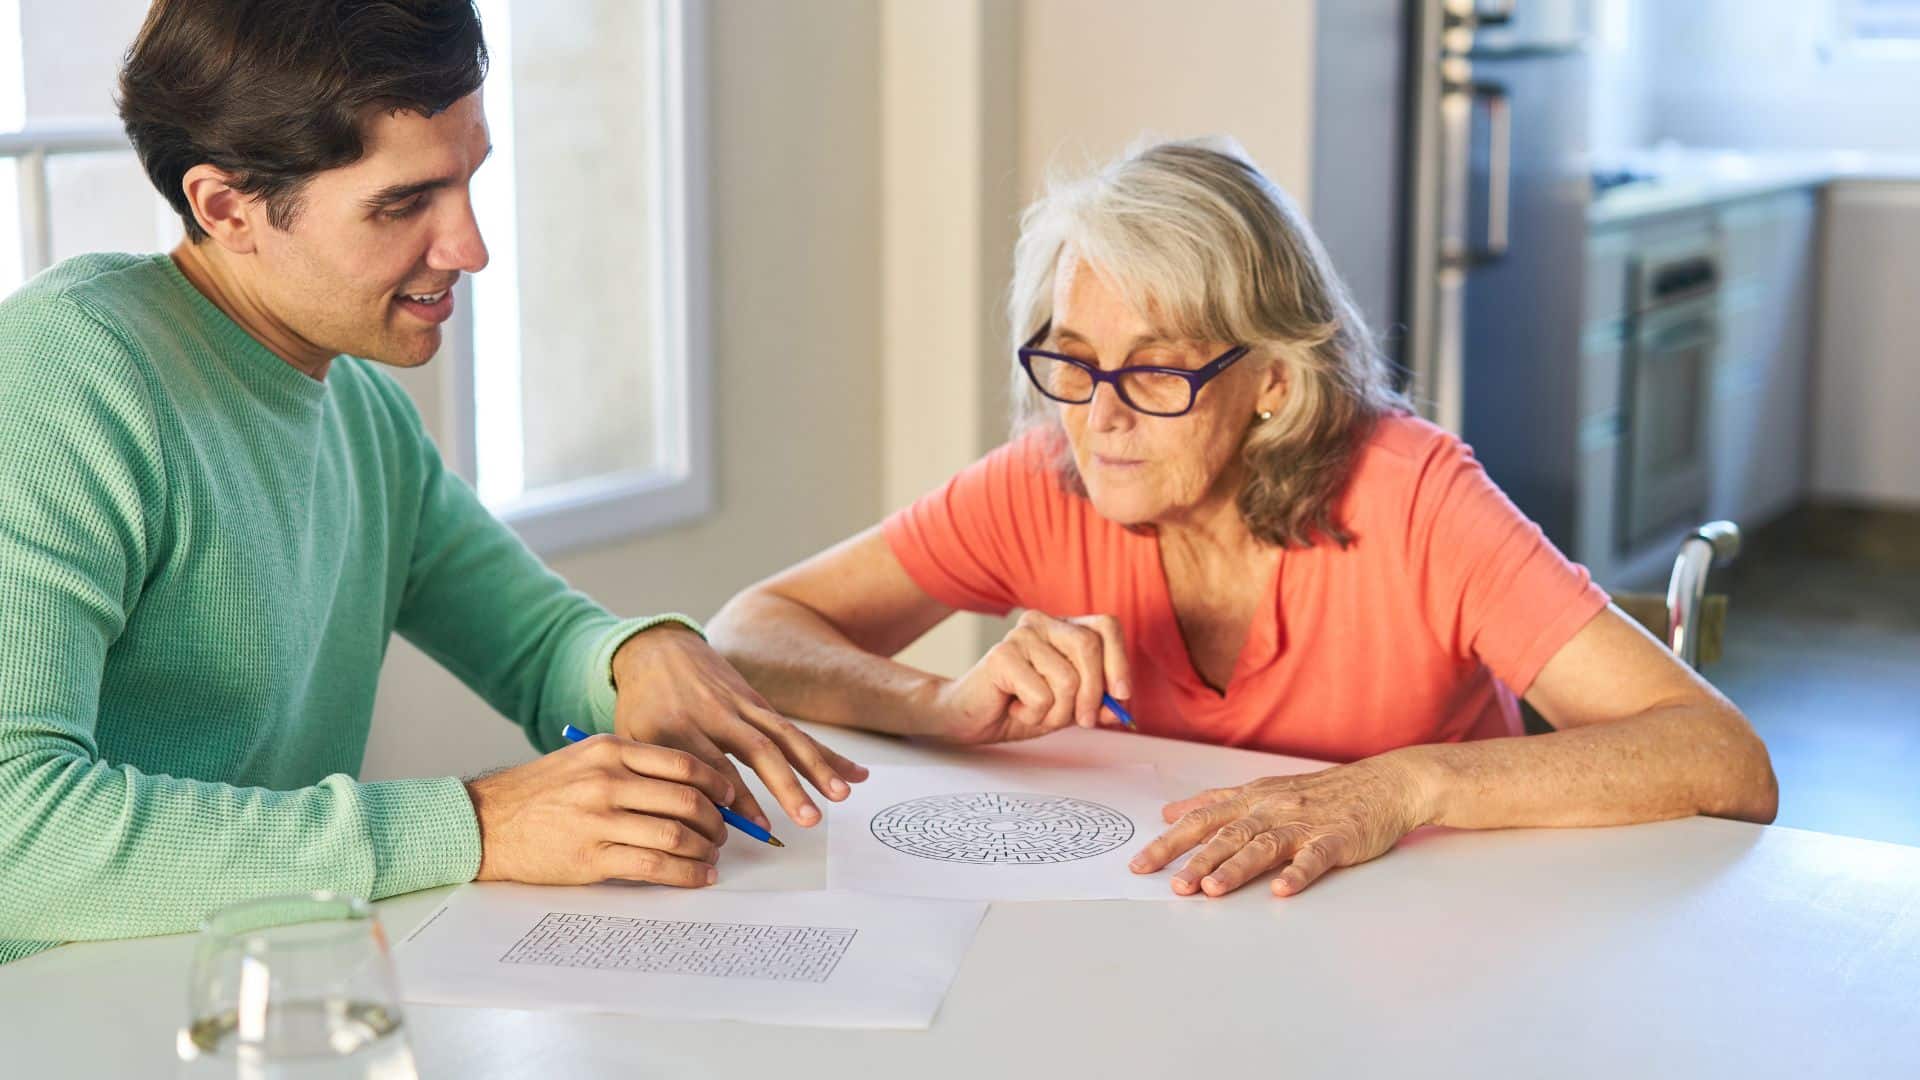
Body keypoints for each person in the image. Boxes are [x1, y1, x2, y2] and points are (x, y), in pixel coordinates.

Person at [0, 0, 863, 965]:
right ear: (227, 207)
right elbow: (15, 837)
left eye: (469, 179)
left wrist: (633, 659)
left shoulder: (361, 411)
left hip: (239, 989)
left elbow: (538, 644)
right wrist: (475, 824)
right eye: (404, 202)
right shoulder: (65, 377)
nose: (470, 247)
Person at [709, 137, 1777, 901]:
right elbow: (749, 635)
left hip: (1432, 954)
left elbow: (1723, 760)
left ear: (1270, 381)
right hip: (1173, 937)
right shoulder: (1047, 475)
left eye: (1158, 371)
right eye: (1072, 363)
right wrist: (937, 704)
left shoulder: (1411, 494)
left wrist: (1400, 786)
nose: (1102, 416)